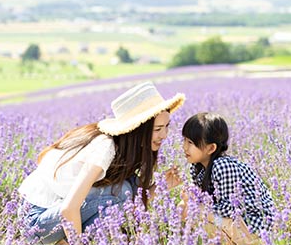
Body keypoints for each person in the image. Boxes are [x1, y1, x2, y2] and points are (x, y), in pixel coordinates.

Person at [17, 81, 185, 244]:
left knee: (127, 189)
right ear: (138, 130)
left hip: (54, 212)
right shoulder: (105, 148)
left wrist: (158, 188)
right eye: (157, 129)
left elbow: (134, 199)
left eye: (167, 126)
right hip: (36, 220)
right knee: (120, 195)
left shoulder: (126, 150)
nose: (164, 135)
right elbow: (68, 209)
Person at [180, 112, 273, 244]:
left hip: (253, 225)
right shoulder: (197, 167)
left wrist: (200, 206)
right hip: (229, 221)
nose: (184, 147)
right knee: (183, 207)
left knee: (196, 211)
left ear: (211, 148)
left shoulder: (222, 166)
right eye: (184, 140)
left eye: (190, 143)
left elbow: (231, 208)